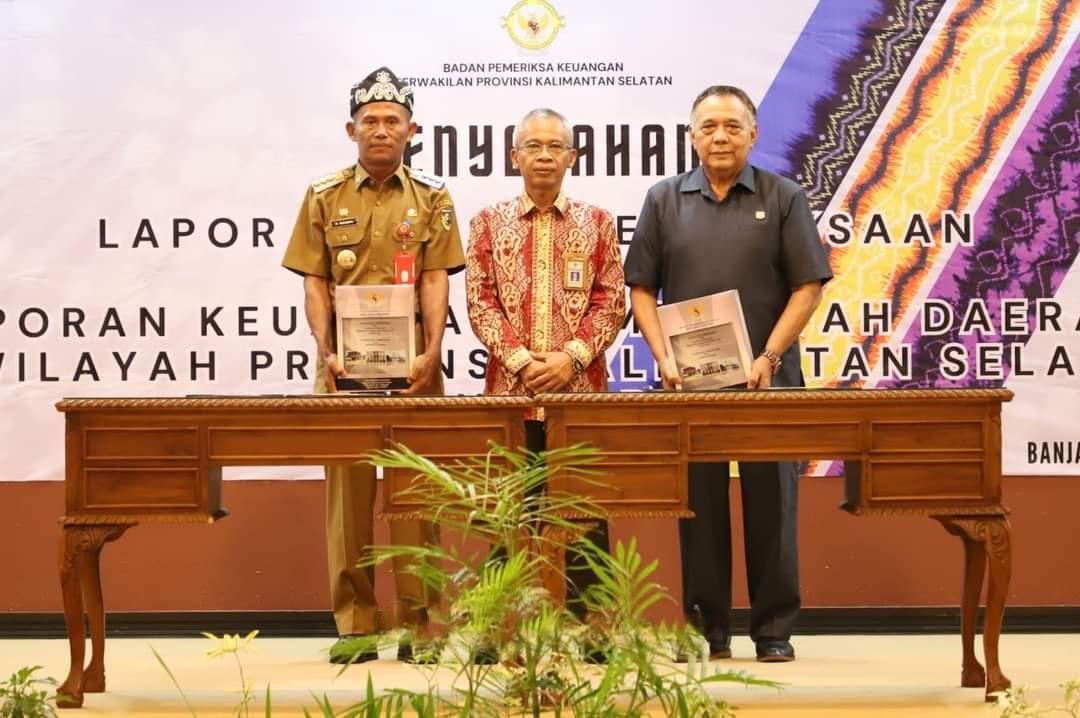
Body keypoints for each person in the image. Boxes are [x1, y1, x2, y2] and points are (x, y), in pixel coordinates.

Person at [623, 85, 831, 663]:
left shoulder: (783, 196)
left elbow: (808, 287)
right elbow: (642, 288)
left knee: (774, 506)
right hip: (691, 385)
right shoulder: (664, 199)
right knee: (699, 507)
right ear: (692, 136)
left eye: (732, 127)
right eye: (709, 126)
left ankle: (773, 632)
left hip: (768, 380)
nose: (720, 136)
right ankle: (706, 629)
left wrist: (769, 357)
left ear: (753, 135)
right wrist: (662, 356)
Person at [281, 66, 465, 664]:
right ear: (351, 130)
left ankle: (420, 624)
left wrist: (433, 351)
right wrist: (324, 348)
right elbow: (315, 280)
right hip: (344, 370)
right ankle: (356, 623)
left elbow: (435, 278)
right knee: (348, 501)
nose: (381, 130)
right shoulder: (323, 195)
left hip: (414, 368)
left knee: (416, 497)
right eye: (370, 121)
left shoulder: (432, 197)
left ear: (412, 130)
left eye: (392, 121)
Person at [465, 107, 626, 629]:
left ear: (571, 157)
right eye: (533, 146)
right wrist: (520, 361)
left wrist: (570, 358)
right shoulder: (488, 223)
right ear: (514, 156)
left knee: (582, 512)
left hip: (578, 398)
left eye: (554, 146)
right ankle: (500, 626)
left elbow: (611, 302)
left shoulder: (597, 223)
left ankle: (590, 627)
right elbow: (480, 303)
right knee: (509, 513)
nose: (543, 156)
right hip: (509, 399)